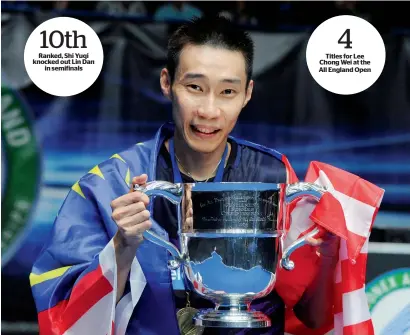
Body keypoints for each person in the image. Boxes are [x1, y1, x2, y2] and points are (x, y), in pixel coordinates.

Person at [30, 16, 339, 335]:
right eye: (194, 87)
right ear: (167, 83)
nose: (208, 110)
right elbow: (64, 318)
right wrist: (122, 247)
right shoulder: (111, 182)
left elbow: (312, 316)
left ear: (247, 94)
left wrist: (330, 250)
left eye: (227, 92)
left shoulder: (274, 176)